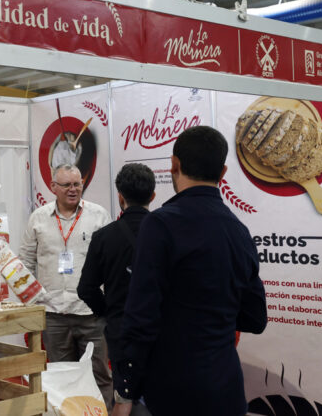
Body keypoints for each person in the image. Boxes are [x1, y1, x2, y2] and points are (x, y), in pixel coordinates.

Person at [111, 126, 267, 416]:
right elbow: (256, 318)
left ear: (174, 165)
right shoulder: (239, 231)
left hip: (174, 390)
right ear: (223, 172)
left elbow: (140, 316)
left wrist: (125, 391)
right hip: (227, 389)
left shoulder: (160, 225)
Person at [20, 164, 113, 408]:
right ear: (53, 187)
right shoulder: (38, 218)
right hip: (53, 314)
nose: (73, 190)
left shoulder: (99, 215)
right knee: (61, 379)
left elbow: (110, 260)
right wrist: (34, 299)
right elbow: (26, 261)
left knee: (99, 375)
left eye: (77, 184)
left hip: (90, 313)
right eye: (66, 185)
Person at [77, 163, 155, 412]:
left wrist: (108, 311)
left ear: (120, 196)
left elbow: (86, 288)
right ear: (153, 196)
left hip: (122, 330)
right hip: (161, 328)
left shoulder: (104, 237)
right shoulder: (168, 231)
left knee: (123, 395)